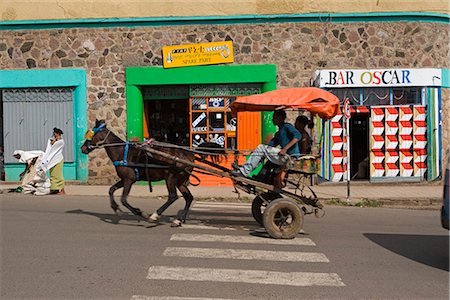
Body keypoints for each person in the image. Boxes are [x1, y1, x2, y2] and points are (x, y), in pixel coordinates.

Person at [231, 110, 300, 177]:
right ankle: (247, 170)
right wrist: (253, 151)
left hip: (290, 157)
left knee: (261, 148)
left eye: (274, 117)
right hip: (284, 157)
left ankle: (244, 171)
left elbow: (298, 136)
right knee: (261, 151)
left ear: (280, 118)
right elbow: (268, 146)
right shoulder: (278, 133)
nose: (272, 119)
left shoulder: (287, 126)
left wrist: (285, 149)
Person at [37, 127, 65, 195]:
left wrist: (53, 141)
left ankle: (61, 189)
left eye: (55, 134)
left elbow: (54, 147)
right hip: (52, 160)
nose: (54, 135)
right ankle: (54, 189)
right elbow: (49, 147)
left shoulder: (61, 142)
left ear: (58, 134)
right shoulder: (53, 140)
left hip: (58, 160)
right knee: (53, 174)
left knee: (57, 175)